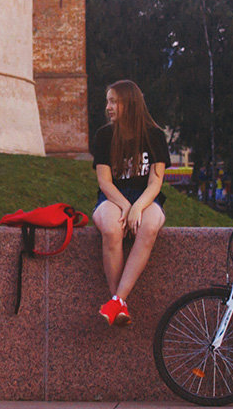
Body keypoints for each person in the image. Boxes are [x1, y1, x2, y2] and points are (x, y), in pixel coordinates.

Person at [90, 80, 170, 325]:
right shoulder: (104, 135)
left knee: (150, 226)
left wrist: (137, 207)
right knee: (112, 228)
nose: (108, 107)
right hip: (113, 196)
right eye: (108, 101)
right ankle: (119, 302)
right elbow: (104, 182)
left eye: (114, 101)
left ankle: (117, 300)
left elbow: (156, 184)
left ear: (130, 103)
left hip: (145, 197)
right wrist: (125, 205)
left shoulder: (154, 135)